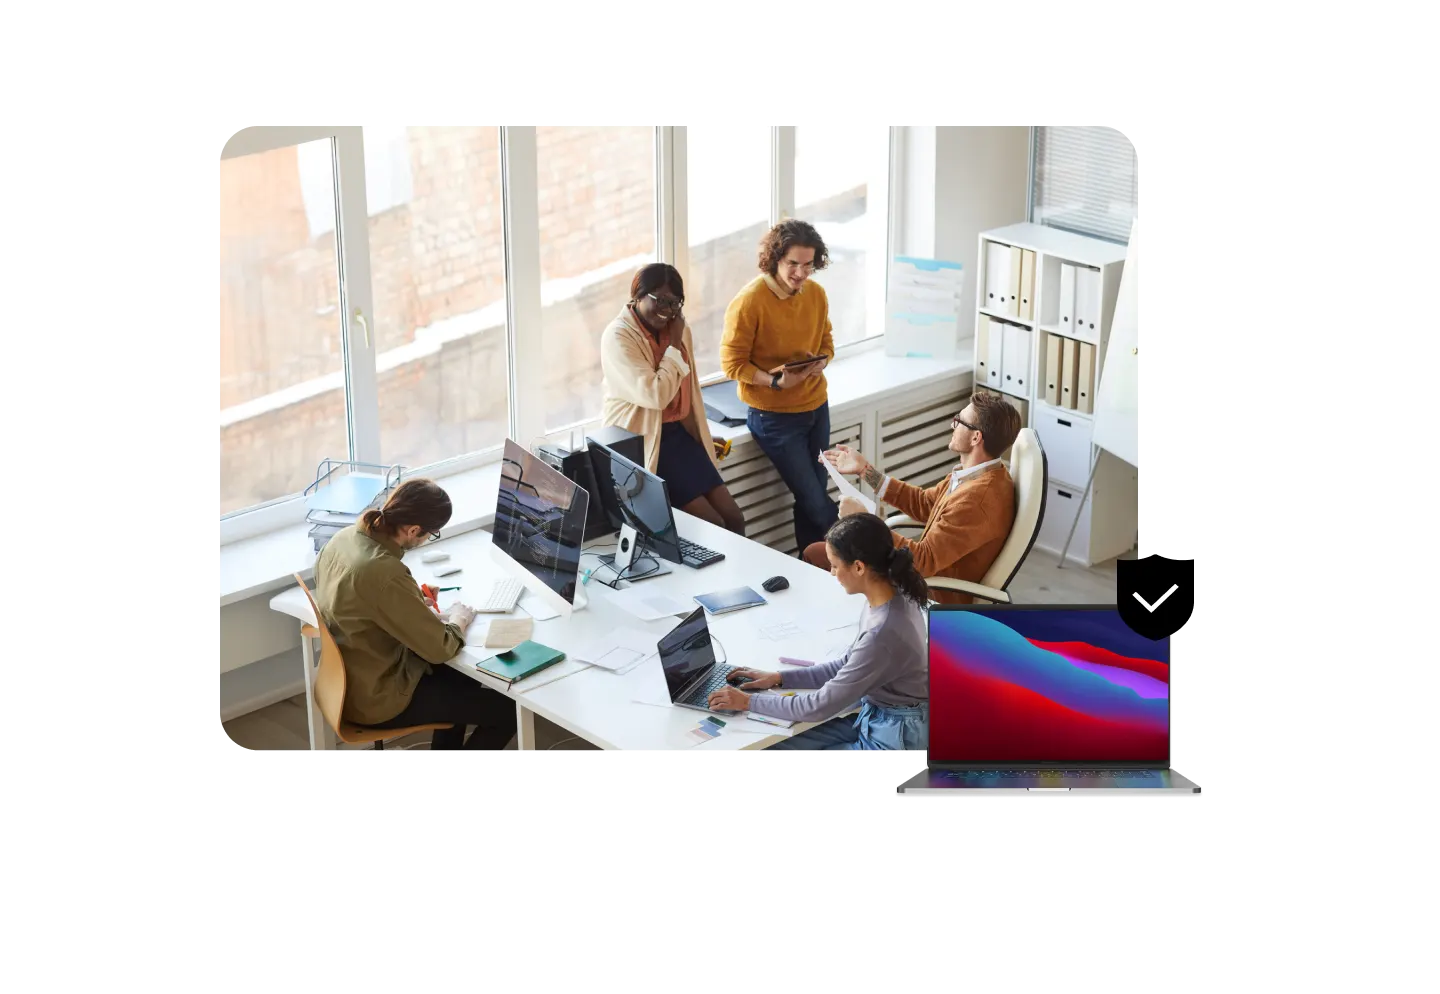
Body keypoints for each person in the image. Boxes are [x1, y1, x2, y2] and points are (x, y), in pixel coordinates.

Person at [312, 478, 517, 752]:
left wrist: (409, 601)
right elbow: (441, 649)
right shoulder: (382, 571)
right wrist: (459, 619)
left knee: (464, 678)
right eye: (431, 534)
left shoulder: (344, 539)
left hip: (345, 684)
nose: (428, 539)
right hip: (378, 698)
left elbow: (357, 601)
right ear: (413, 530)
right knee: (509, 712)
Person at [707, 512, 930, 751]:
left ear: (858, 567)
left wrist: (747, 702)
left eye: (834, 566)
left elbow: (819, 706)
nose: (832, 573)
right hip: (877, 716)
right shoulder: (889, 594)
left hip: (895, 737)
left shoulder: (883, 632)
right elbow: (848, 663)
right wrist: (780, 678)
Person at [808, 392, 1022, 605]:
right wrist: (865, 470)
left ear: (976, 437)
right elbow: (924, 503)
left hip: (930, 592)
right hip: (923, 575)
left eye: (959, 421)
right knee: (823, 555)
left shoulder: (977, 501)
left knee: (817, 556)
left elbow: (923, 560)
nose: (952, 425)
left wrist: (864, 522)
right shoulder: (978, 475)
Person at [719, 219, 837, 554]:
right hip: (774, 418)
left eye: (808, 265)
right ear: (775, 259)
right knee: (818, 505)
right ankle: (865, 559)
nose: (801, 273)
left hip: (816, 407)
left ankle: (814, 567)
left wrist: (821, 361)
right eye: (793, 264)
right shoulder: (750, 301)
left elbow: (827, 341)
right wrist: (775, 381)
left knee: (810, 500)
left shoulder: (816, 294)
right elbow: (732, 364)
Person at [600, 263, 745, 535]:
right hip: (645, 440)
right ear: (637, 295)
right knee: (712, 526)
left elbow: (687, 391)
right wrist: (675, 343)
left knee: (734, 518)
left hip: (678, 436)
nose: (667, 310)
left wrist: (701, 434)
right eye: (660, 300)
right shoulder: (618, 336)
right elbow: (655, 395)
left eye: (675, 303)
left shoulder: (678, 329)